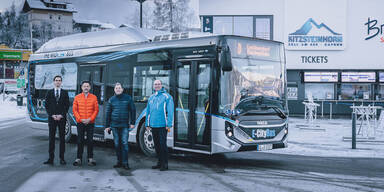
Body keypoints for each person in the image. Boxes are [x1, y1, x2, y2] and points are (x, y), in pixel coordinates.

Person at [105, 83, 136, 170]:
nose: (118, 89)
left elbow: (133, 110)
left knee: (125, 143)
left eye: (119, 88)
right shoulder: (111, 100)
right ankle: (119, 162)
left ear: (122, 89)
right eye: (116, 88)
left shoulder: (128, 98)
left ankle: (125, 163)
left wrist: (132, 122)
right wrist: (107, 125)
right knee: (117, 144)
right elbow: (108, 113)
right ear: (114, 90)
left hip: (124, 125)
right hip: (114, 126)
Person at [145, 80, 174, 171]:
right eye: (155, 84)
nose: (157, 85)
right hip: (153, 125)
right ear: (153, 86)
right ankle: (159, 162)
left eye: (158, 84)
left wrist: (169, 124)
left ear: (161, 85)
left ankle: (165, 164)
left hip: (162, 125)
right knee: (156, 145)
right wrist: (147, 123)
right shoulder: (151, 97)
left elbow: (170, 111)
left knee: (162, 145)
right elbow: (148, 112)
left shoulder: (167, 97)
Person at [43, 75, 69, 165]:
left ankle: (62, 158)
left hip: (62, 119)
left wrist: (61, 115)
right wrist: (52, 115)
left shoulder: (65, 92)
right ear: (54, 82)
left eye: (59, 80)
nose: (58, 82)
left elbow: (67, 106)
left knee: (62, 139)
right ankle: (51, 158)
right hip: (52, 119)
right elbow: (46, 105)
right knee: (51, 139)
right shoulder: (49, 92)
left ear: (61, 82)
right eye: (56, 80)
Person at [72, 81, 99, 166]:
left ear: (90, 88)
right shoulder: (77, 97)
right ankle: (78, 158)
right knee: (80, 140)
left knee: (90, 141)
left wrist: (90, 119)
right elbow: (74, 110)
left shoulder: (94, 97)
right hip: (80, 122)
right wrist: (80, 119)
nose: (86, 87)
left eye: (87, 86)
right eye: (84, 86)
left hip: (90, 123)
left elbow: (96, 110)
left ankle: (90, 158)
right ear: (82, 87)